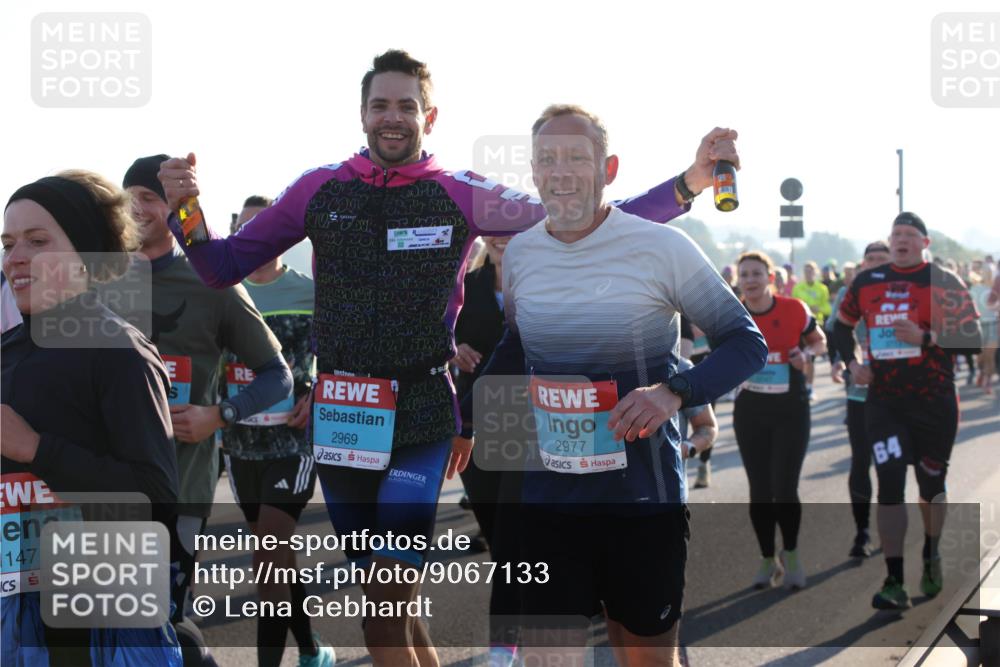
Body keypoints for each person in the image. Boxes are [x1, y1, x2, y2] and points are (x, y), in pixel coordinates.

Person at [157, 50, 741, 666]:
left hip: (422, 413)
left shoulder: (456, 191)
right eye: (380, 105)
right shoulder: (318, 188)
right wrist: (186, 209)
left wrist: (687, 184)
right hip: (342, 412)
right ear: (361, 114)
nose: (392, 117)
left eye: (406, 106)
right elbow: (221, 267)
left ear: (428, 117)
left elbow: (584, 217)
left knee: (383, 602)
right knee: (390, 607)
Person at [464, 105, 765, 667]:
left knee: (645, 659)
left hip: (640, 503)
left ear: (610, 169)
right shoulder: (523, 252)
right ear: (533, 171)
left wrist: (674, 392)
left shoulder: (660, 248)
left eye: (578, 157)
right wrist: (463, 415)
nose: (562, 171)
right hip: (549, 502)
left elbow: (746, 343)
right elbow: (517, 345)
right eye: (548, 159)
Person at [2, 170, 181, 666]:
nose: (15, 258)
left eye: (37, 242)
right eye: (8, 242)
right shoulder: (8, 350)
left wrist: (37, 450)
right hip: (17, 608)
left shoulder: (118, 351)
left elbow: (156, 496)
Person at [121, 155, 292, 664]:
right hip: (100, 484)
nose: (136, 207)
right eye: (128, 194)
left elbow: (276, 375)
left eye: (150, 196)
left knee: (162, 623)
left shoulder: (212, 283)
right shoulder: (94, 277)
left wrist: (220, 416)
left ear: (172, 206)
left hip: (180, 488)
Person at [834, 212, 982, 610]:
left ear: (924, 243)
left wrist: (927, 337)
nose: (900, 239)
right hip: (885, 403)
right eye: (895, 233)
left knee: (931, 488)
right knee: (890, 486)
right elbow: (839, 326)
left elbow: (974, 339)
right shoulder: (866, 282)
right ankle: (894, 580)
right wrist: (853, 364)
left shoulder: (944, 282)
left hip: (934, 402)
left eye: (908, 234)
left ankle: (932, 553)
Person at [220, 196, 335, 667]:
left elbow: (338, 354)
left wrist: (317, 389)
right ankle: (310, 649)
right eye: (249, 228)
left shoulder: (309, 291)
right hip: (241, 442)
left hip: (294, 439)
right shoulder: (222, 291)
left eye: (269, 228)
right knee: (276, 556)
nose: (260, 237)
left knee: (269, 551)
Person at [734, 251, 826, 590]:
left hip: (791, 410)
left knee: (784, 488)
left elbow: (819, 341)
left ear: (770, 278)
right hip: (750, 411)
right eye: (745, 275)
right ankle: (766, 559)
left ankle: (792, 553)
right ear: (739, 281)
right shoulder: (733, 315)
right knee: (759, 490)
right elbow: (718, 354)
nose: (751, 280)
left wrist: (807, 355)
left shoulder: (793, 309)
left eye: (757, 273)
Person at [830, 241, 891, 559]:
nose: (876, 264)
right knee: (860, 460)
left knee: (889, 464)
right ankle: (862, 532)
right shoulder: (849, 293)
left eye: (883, 259)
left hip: (896, 393)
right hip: (859, 390)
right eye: (871, 260)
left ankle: (888, 526)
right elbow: (835, 333)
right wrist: (843, 362)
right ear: (863, 264)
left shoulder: (902, 291)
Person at [792, 261, 831, 398]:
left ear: (815, 273)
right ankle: (801, 383)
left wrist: (818, 308)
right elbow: (794, 306)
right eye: (806, 271)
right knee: (801, 357)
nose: (808, 274)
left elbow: (827, 308)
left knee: (811, 357)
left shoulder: (822, 288)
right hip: (799, 327)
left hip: (815, 326)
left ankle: (809, 387)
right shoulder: (798, 288)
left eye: (811, 271)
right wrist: (808, 307)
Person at [969, 263, 998, 394]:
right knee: (980, 357)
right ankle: (981, 372)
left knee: (990, 356)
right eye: (986, 271)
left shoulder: (996, 289)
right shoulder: (975, 289)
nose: (989, 274)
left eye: (991, 272)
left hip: (993, 325)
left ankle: (988, 382)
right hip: (979, 326)